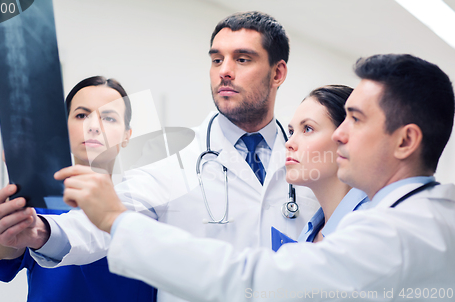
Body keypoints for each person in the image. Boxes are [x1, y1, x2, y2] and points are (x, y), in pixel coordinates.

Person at [60, 54, 455, 301]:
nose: (339, 135)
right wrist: (48, 231)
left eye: (356, 119)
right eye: (216, 59)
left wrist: (116, 220)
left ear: (406, 141)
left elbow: (253, 281)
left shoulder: (399, 232)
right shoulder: (397, 217)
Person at [0, 11, 320, 302]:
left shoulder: (317, 161)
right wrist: (44, 231)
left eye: (242, 59)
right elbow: (106, 221)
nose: (225, 71)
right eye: (217, 59)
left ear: (277, 73)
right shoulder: (172, 159)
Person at [0, 76, 156, 302]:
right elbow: (3, 252)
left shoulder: (147, 205)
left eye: (109, 117)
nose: (93, 126)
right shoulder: (39, 202)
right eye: (82, 115)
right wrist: (3, 223)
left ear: (127, 135)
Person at [272, 85, 369, 250]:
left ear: (346, 139)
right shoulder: (311, 232)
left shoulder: (371, 226)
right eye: (291, 132)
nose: (289, 143)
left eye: (307, 129)